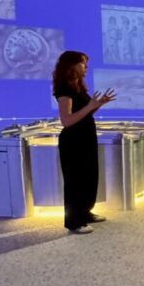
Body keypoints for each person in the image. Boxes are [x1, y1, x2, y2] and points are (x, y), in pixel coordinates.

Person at [52, 51, 116, 234]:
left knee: (89, 177)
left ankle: (85, 212)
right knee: (75, 181)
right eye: (83, 64)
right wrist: (90, 106)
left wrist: (98, 104)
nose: (86, 67)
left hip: (86, 137)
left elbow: (84, 113)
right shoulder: (64, 88)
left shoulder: (78, 86)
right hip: (73, 141)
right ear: (71, 65)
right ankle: (74, 222)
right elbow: (67, 120)